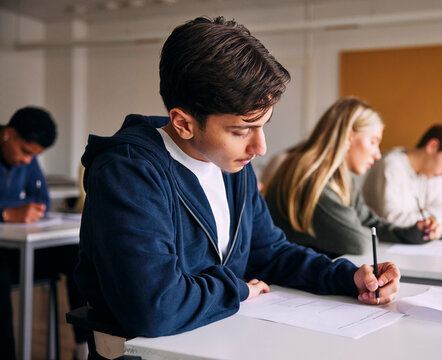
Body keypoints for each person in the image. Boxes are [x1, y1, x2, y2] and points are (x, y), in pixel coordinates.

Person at [74, 16, 401, 347]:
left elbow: (268, 252)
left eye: (263, 125)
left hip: (220, 340)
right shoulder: (129, 172)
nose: (260, 147)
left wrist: (347, 277)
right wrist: (238, 288)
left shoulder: (231, 163)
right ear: (183, 123)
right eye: (242, 130)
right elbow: (153, 307)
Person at [262, 97, 440, 258]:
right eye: (373, 141)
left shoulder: (342, 177)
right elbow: (358, 243)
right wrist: (358, 228)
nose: (378, 154)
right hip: (285, 285)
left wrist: (412, 232)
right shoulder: (312, 179)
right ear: (349, 136)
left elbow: (370, 223)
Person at [0, 107, 88, 360]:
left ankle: (83, 346)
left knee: (77, 257)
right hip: (4, 257)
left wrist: (30, 211)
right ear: (8, 134)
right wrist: (5, 213)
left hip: (20, 251)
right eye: (26, 152)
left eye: (34, 156)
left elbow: (42, 199)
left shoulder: (28, 159)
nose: (28, 161)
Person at [362, 124, 442, 231]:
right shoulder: (391, 165)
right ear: (433, 146)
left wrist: (431, 219)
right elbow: (392, 220)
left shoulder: (430, 174)